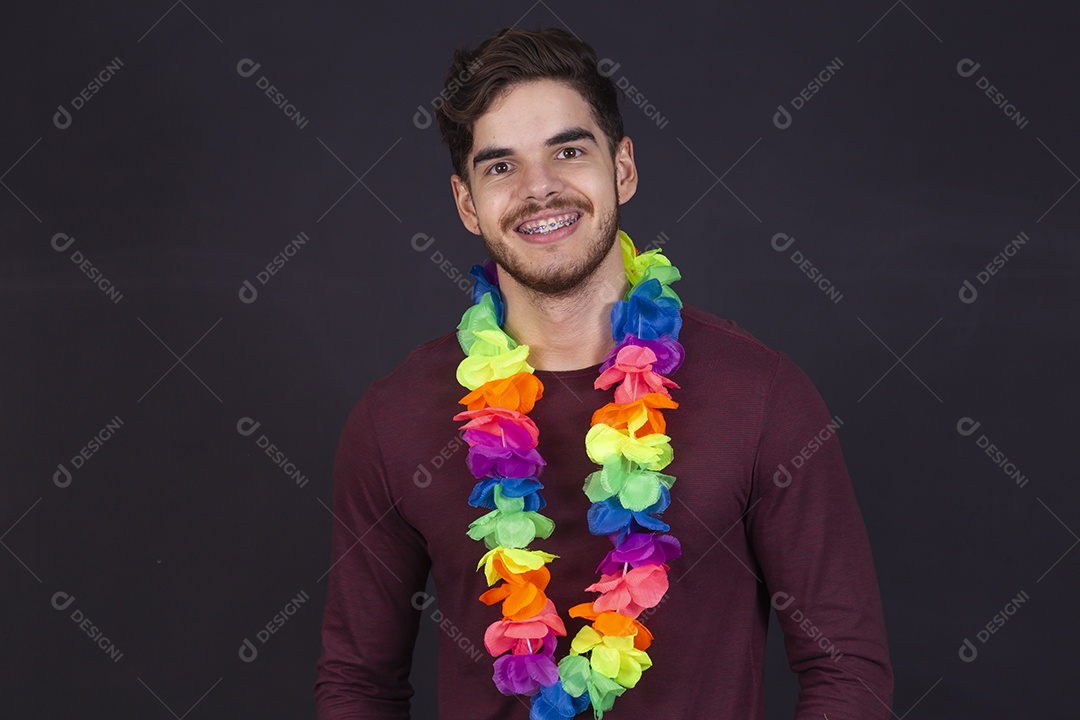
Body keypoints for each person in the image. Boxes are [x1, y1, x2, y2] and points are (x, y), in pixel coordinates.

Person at [314, 26, 893, 720]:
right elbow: (359, 687)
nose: (540, 189)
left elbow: (847, 673)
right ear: (468, 203)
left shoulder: (760, 394)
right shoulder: (395, 418)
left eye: (568, 150)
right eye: (501, 166)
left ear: (622, 168)